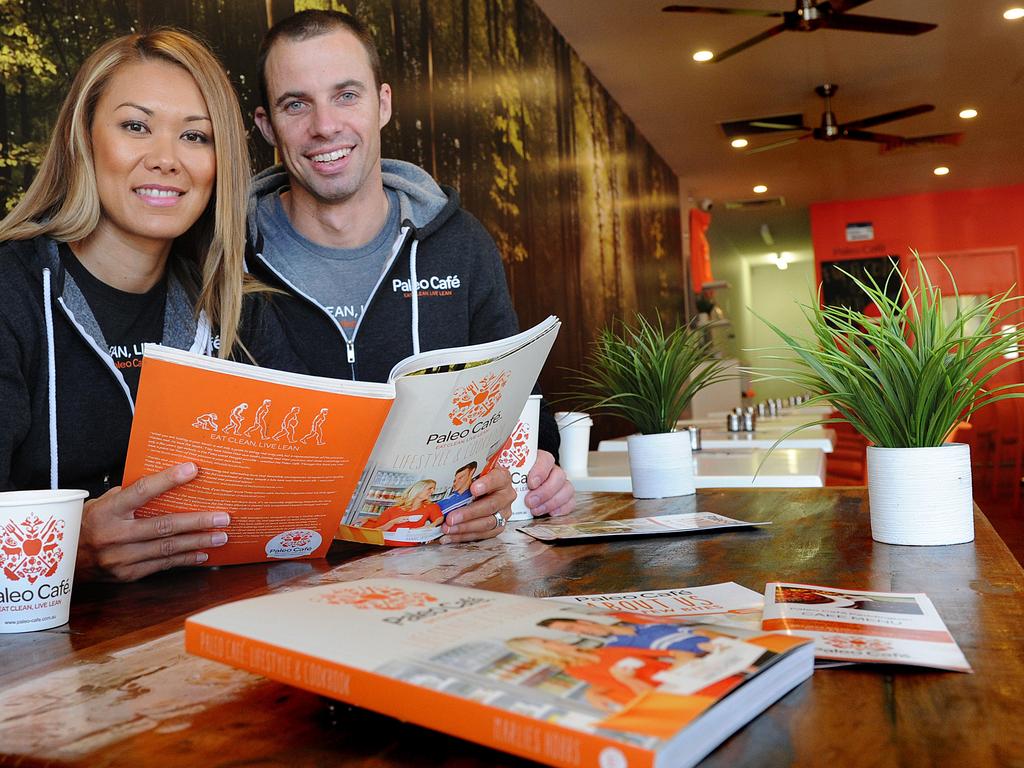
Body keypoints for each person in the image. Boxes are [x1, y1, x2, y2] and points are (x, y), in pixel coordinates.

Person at [246, 10, 575, 538]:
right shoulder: (224, 259)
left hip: (438, 566)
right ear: (267, 126)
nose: (325, 125)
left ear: (383, 104)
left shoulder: (460, 244)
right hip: (273, 576)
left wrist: (532, 477)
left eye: (346, 95)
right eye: (296, 104)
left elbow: (523, 412)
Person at [0, 30, 296, 582]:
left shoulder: (239, 310)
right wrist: (70, 550)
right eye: (136, 126)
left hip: (198, 645)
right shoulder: (11, 292)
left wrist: (450, 499)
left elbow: (296, 508)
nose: (166, 159)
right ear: (83, 139)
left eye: (195, 136)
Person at [506, 636, 697, 712]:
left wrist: (679, 664)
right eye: (546, 643)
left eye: (547, 639)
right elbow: (646, 697)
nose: (554, 641)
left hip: (688, 680)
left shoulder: (602, 650)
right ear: (542, 652)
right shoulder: (576, 670)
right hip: (675, 696)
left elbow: (675, 652)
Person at [537, 617, 727, 655]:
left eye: (571, 628)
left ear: (582, 622)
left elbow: (702, 631)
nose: (579, 634)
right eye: (570, 635)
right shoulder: (615, 648)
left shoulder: (638, 621)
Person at [363, 479, 443, 534]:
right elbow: (376, 531)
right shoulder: (393, 510)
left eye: (434, 489)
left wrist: (431, 526)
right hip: (386, 544)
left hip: (407, 545)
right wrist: (393, 522)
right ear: (418, 490)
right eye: (430, 488)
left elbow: (439, 518)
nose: (432, 491)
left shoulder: (430, 507)